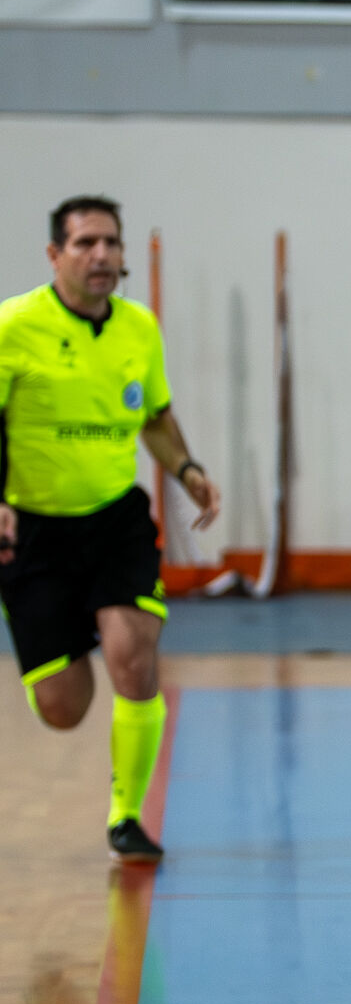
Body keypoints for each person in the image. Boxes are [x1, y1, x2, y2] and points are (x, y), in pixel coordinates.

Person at [0, 195, 221, 862]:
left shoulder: (138, 328)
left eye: (111, 243)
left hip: (114, 522)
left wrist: (186, 468)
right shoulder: (13, 325)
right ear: (54, 255)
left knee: (133, 653)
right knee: (64, 706)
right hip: (33, 531)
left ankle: (126, 815)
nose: (101, 256)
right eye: (85, 243)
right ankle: (61, 657)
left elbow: (154, 414)